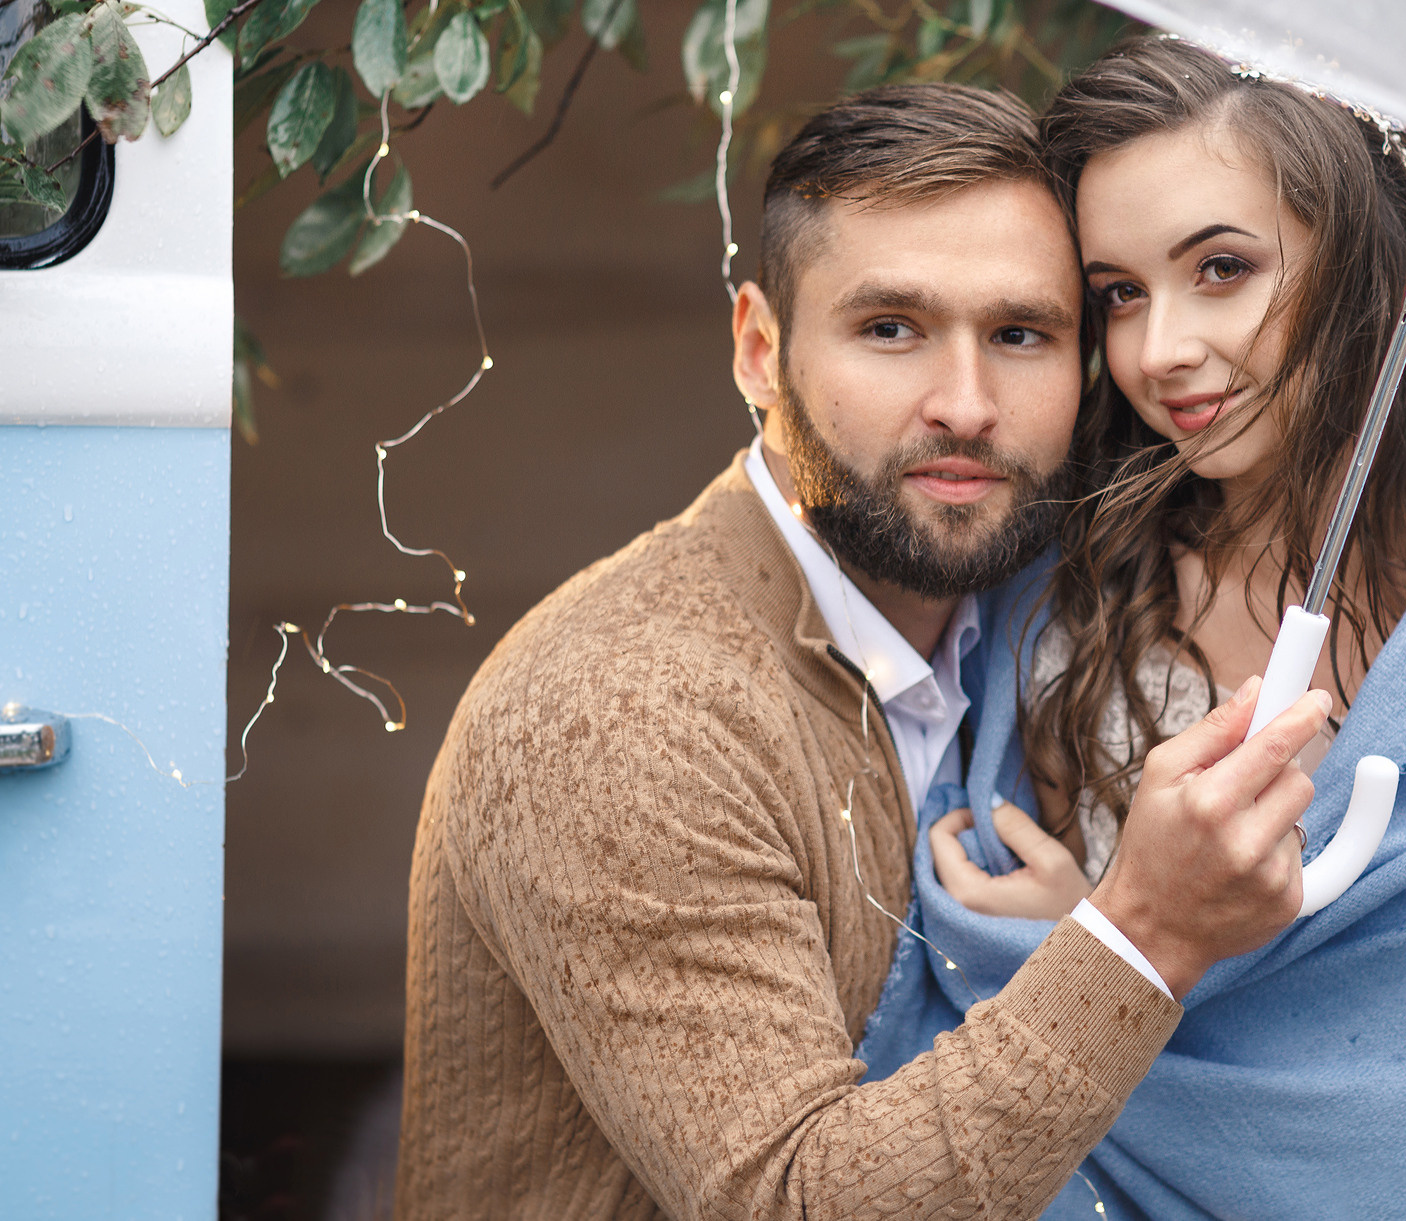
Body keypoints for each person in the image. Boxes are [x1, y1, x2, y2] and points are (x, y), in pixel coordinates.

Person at [395, 82, 1336, 1219]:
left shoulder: (1023, 619)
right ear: (759, 349)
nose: (966, 405)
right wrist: (1141, 932)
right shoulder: (622, 713)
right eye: (891, 328)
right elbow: (797, 1201)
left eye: (1020, 335)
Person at [858, 36, 1406, 1219]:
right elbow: (959, 997)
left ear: (1368, 266)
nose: (1159, 351)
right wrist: (1084, 957)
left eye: (1221, 268)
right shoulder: (1057, 588)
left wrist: (1090, 954)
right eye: (1119, 294)